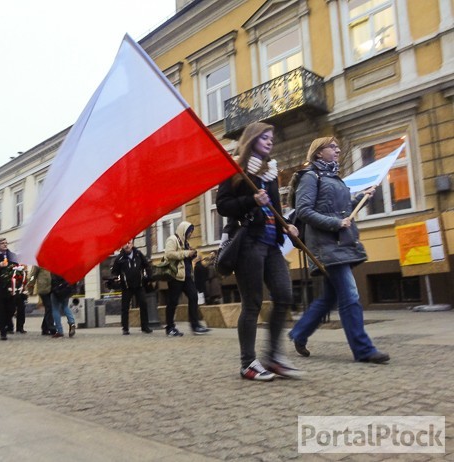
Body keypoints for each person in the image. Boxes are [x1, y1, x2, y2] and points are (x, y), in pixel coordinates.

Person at [288, 137, 389, 364]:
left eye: (337, 147)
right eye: (332, 147)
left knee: (330, 296)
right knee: (350, 295)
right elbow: (303, 210)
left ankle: (299, 333)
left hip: (341, 243)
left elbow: (339, 209)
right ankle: (363, 350)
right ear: (318, 153)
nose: (338, 150)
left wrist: (361, 198)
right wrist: (335, 224)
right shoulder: (310, 177)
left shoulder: (333, 178)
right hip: (326, 245)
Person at [216, 122, 301, 381]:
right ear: (252, 139)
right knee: (252, 303)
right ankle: (248, 363)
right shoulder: (235, 170)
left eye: (271, 138)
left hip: (271, 243)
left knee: (284, 295)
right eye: (264, 137)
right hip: (248, 242)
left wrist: (288, 226)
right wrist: (250, 200)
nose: (269, 141)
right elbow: (223, 206)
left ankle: (273, 358)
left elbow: (275, 208)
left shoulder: (271, 172)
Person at [164, 221, 210, 337]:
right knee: (173, 302)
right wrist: (186, 253)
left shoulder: (185, 242)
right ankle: (170, 327)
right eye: (190, 232)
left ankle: (195, 325)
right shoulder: (172, 239)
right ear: (184, 230)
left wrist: (192, 254)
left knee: (194, 297)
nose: (191, 234)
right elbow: (169, 254)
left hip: (187, 276)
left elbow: (185, 257)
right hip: (176, 276)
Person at [111, 239, 153, 335]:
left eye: (129, 243)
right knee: (125, 307)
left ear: (132, 244)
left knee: (143, 304)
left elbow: (147, 265)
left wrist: (149, 276)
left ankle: (145, 326)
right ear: (121, 246)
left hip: (139, 285)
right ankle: (125, 328)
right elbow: (114, 272)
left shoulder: (138, 254)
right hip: (126, 287)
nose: (127, 245)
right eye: (124, 243)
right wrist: (116, 280)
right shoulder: (119, 258)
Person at [28, 265, 56, 336]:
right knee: (49, 307)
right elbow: (32, 276)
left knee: (49, 308)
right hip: (43, 289)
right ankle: (51, 327)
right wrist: (30, 286)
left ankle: (45, 328)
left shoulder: (51, 262)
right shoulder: (38, 263)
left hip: (52, 288)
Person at [50, 274, 76, 338]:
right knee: (65, 307)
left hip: (56, 290)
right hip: (66, 289)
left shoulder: (54, 267)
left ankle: (59, 331)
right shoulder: (67, 267)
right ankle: (72, 323)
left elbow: (52, 280)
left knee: (55, 309)